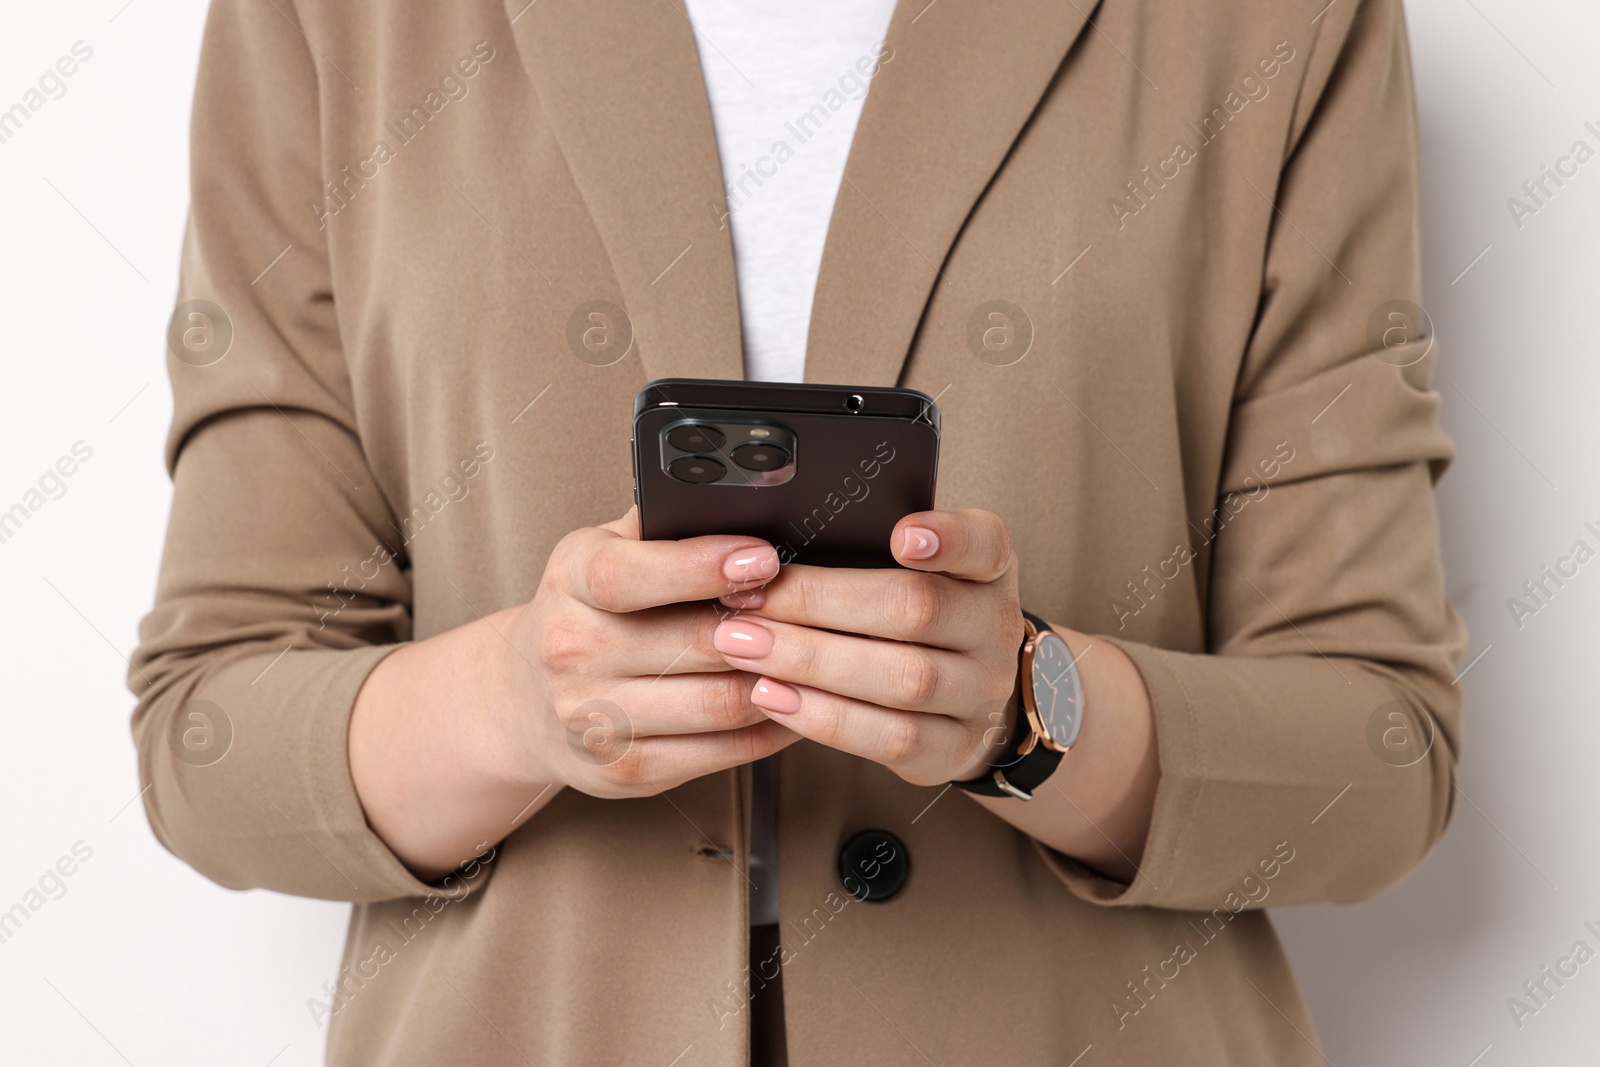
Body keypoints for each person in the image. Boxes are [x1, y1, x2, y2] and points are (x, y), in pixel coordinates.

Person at [131, 0, 1464, 1063]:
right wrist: (517, 699)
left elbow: (1383, 755)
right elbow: (210, 737)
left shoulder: (1272, 22)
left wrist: (1025, 714)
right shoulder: (325, 18)